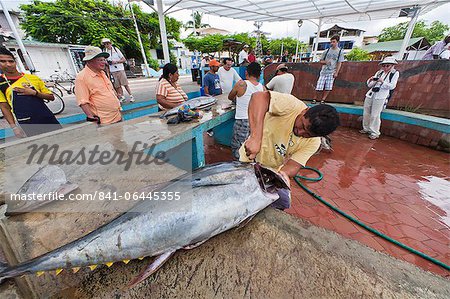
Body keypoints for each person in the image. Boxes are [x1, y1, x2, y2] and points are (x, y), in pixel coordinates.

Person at [239, 90, 340, 210]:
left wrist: (282, 175)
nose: (300, 132)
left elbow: (294, 165)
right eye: (302, 126)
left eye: (307, 134)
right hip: (246, 160)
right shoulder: (291, 105)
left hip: (269, 174)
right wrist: (256, 137)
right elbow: (258, 97)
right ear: (305, 111)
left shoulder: (314, 142)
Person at [0, 47, 61, 137]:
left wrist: (35, 93)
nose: (8, 64)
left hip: (46, 117)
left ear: (15, 62)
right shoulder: (1, 83)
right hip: (26, 121)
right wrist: (14, 128)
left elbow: (51, 97)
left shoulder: (33, 78)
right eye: (3, 61)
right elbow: (4, 107)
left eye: (11, 61)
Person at [75, 46, 122, 125]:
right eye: (100, 60)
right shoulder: (82, 78)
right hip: (104, 121)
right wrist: (92, 119)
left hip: (117, 116)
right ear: (89, 61)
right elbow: (83, 102)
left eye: (104, 60)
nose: (103, 62)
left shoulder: (102, 73)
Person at [228, 62, 264, 159]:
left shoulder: (241, 84)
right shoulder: (262, 88)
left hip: (242, 121)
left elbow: (230, 96)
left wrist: (238, 98)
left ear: (246, 73)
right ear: (259, 75)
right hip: (256, 123)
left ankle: (238, 169)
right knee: (252, 148)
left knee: (238, 147)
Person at [360, 56, 399, 140]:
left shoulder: (394, 73)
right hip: (371, 94)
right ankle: (365, 128)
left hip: (381, 95)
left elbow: (392, 86)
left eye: (387, 66)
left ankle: (374, 132)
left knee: (375, 114)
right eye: (384, 65)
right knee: (366, 112)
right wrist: (371, 80)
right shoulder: (379, 72)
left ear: (392, 66)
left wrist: (382, 82)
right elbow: (369, 85)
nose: (385, 67)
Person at [101, 38, 134, 103]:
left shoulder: (116, 50)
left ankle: (131, 96)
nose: (107, 45)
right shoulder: (104, 51)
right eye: (105, 44)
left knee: (125, 84)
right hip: (112, 70)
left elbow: (123, 59)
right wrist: (107, 63)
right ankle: (122, 97)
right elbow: (104, 61)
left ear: (110, 43)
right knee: (117, 85)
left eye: (107, 43)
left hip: (120, 69)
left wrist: (115, 62)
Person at [314, 35, 344, 104]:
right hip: (324, 71)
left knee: (328, 87)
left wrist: (336, 72)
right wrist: (325, 62)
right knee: (319, 86)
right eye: (331, 42)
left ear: (337, 42)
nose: (332, 43)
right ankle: (315, 98)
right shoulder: (326, 51)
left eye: (334, 42)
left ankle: (323, 99)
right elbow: (320, 61)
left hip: (331, 72)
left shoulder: (340, 52)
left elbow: (339, 63)